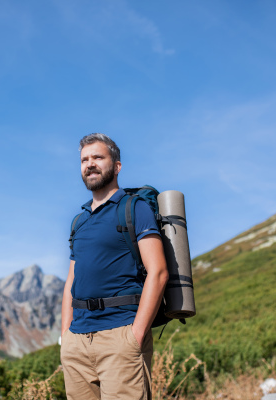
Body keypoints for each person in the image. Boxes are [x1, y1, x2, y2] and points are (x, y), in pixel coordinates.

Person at [60, 133, 169, 400]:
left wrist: (136, 335)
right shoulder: (79, 221)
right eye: (85, 159)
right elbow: (71, 281)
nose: (90, 164)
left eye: (98, 157)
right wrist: (65, 337)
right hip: (77, 343)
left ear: (116, 165)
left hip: (121, 337)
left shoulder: (135, 209)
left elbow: (158, 271)